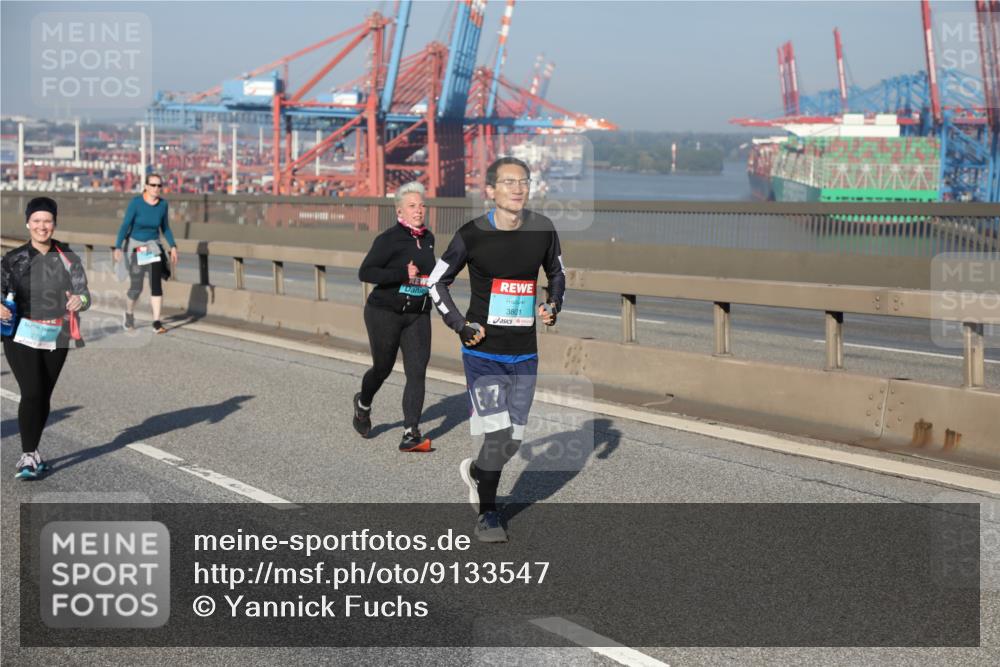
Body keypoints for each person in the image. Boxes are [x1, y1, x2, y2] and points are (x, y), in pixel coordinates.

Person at [427, 157, 565, 542]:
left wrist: (552, 305)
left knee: (513, 440)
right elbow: (436, 283)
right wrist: (459, 324)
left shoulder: (542, 229)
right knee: (499, 433)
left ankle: (477, 472)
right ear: (490, 191)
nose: (518, 188)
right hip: (483, 354)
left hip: (525, 353)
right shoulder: (472, 234)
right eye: (508, 182)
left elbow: (557, 273)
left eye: (523, 181)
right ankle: (488, 513)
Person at [1, 197, 90, 479]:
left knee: (43, 395)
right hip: (20, 333)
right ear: (28, 223)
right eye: (37, 221)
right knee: (32, 392)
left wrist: (81, 300)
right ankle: (27, 456)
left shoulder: (68, 258)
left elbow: (85, 293)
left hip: (56, 334)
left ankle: (34, 451)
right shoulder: (13, 259)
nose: (42, 227)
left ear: (54, 224)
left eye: (47, 221)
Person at [353, 181, 436, 452]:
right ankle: (363, 404)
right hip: (384, 313)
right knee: (383, 368)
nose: (419, 210)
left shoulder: (428, 239)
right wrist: (402, 273)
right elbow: (366, 272)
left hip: (417, 314)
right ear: (400, 212)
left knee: (417, 371)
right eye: (412, 206)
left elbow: (429, 276)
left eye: (422, 205)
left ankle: (411, 432)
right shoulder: (388, 239)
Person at [113, 173, 178, 334]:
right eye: (153, 185)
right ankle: (129, 314)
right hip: (136, 246)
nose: (157, 188)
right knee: (137, 286)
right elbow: (125, 225)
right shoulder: (136, 203)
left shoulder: (163, 205)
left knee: (156, 284)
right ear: (146, 186)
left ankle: (156, 321)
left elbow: (165, 228)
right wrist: (118, 246)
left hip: (152, 246)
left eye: (159, 185)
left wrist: (173, 246)